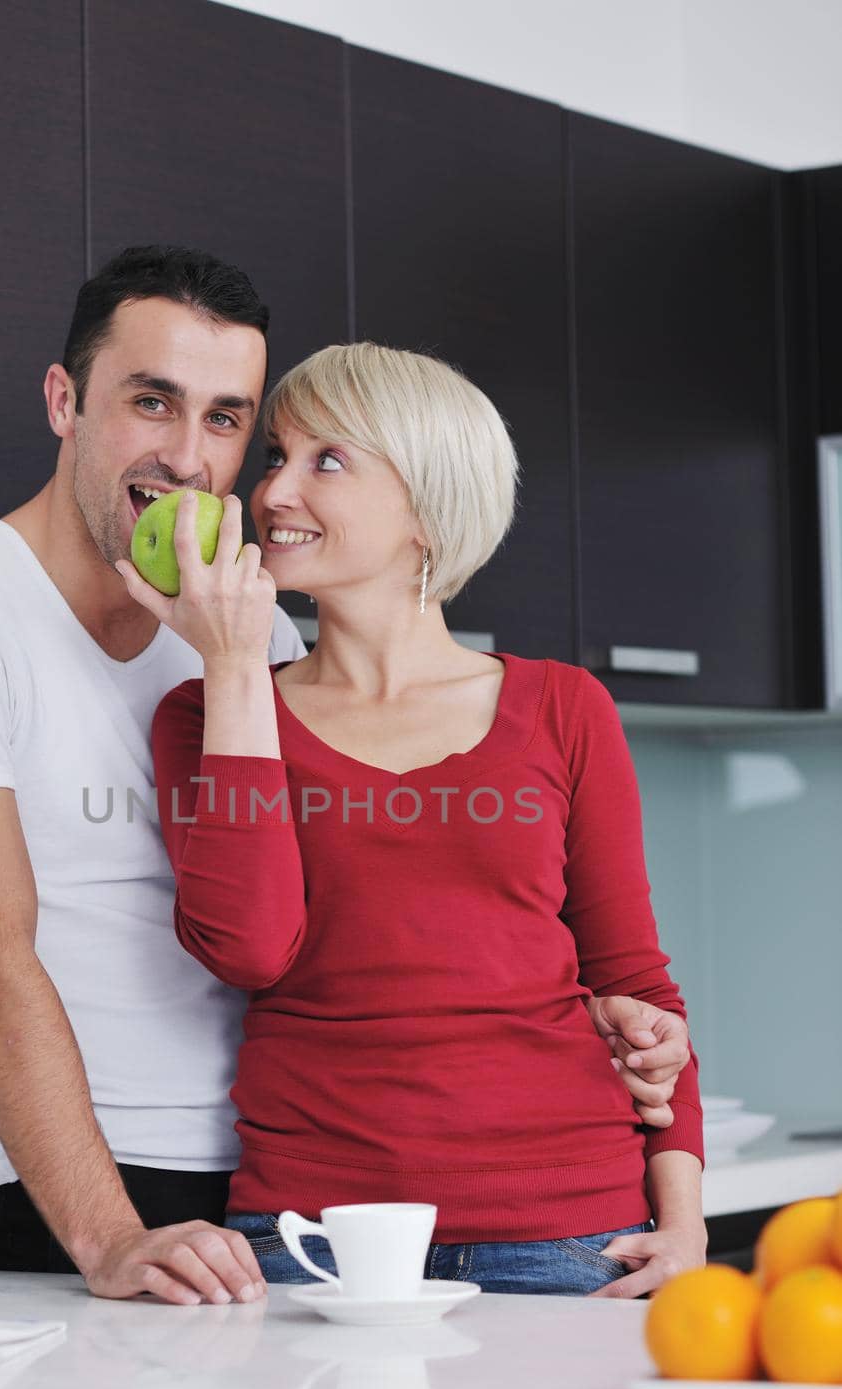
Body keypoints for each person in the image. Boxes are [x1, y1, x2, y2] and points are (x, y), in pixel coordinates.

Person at [120, 340, 707, 1300]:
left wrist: (681, 1221)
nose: (271, 493)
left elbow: (637, 985)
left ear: (427, 509)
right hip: (310, 1240)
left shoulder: (564, 708)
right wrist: (228, 667)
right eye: (275, 456)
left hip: (571, 1232)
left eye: (328, 461)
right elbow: (251, 949)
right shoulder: (205, 714)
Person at [0, 245, 312, 1306]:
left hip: (277, 1172)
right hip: (53, 1191)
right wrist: (109, 1239)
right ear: (65, 400)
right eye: (153, 401)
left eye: (224, 418)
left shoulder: (251, 631)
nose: (187, 456)